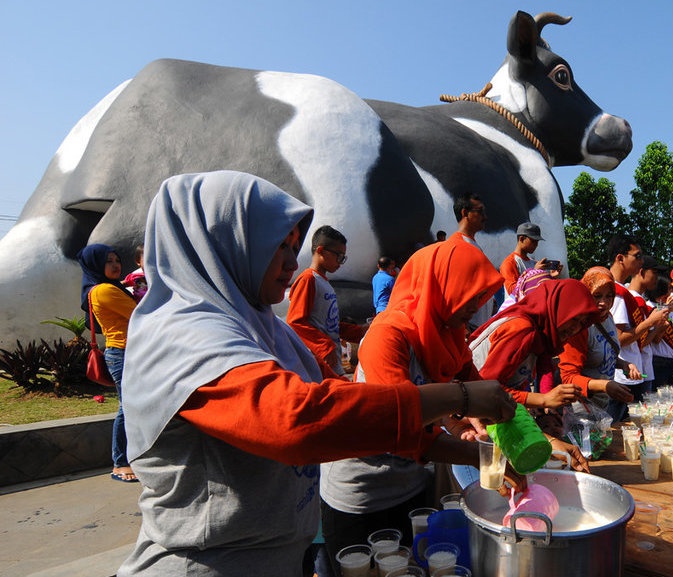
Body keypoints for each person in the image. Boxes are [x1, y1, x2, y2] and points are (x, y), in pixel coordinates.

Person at [117, 170, 515, 576]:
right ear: (223, 244)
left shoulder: (269, 332)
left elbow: (344, 400)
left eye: (295, 245)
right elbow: (296, 419)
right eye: (277, 245)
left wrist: (475, 452)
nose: (293, 260)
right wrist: (460, 398)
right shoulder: (180, 334)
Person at [319, 240, 515, 570]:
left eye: (480, 297)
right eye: (469, 295)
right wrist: (483, 457)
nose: (476, 305)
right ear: (440, 285)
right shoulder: (389, 336)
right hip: (363, 494)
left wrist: (480, 423)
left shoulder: (449, 332)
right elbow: (400, 430)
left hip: (412, 487)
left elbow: (480, 389)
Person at [470, 279, 600, 472]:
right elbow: (486, 391)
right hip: (470, 429)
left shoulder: (541, 338)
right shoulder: (520, 329)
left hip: (491, 425)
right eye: (574, 318)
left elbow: (517, 389)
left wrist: (547, 418)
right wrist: (543, 400)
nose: (575, 328)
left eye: (582, 323)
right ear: (558, 307)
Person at [78, 243, 138, 483]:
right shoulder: (104, 290)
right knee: (127, 408)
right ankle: (120, 462)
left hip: (130, 351)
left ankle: (134, 456)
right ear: (95, 265)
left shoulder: (113, 287)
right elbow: (139, 313)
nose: (115, 265)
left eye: (117, 260)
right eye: (108, 261)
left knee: (134, 407)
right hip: (123, 353)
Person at [286, 225, 366, 376]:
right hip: (319, 362)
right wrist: (324, 347)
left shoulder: (324, 283)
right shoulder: (308, 279)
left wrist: (360, 331)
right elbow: (295, 321)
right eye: (339, 256)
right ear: (321, 251)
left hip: (332, 361)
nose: (340, 262)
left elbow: (329, 325)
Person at [606, 236, 669, 420]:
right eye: (637, 255)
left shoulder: (621, 291)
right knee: (618, 430)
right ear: (620, 258)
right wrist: (650, 323)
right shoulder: (615, 293)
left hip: (631, 372)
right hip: (622, 376)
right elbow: (619, 339)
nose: (641, 261)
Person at [558, 266, 637, 409]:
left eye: (609, 296)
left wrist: (624, 364)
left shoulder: (609, 319)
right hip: (579, 408)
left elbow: (603, 352)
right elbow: (568, 377)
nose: (604, 303)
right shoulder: (578, 327)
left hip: (602, 406)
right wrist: (604, 385)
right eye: (597, 296)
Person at [449, 193, 494, 331]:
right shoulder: (458, 246)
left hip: (479, 327)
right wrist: (465, 329)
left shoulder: (473, 245)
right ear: (465, 213)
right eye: (480, 212)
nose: (485, 217)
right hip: (469, 329)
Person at [499, 222, 559, 296]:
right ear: (522, 239)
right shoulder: (509, 263)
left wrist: (551, 276)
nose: (536, 245)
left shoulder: (534, 263)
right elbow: (512, 292)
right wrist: (534, 273)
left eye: (537, 242)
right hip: (517, 307)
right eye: (533, 241)